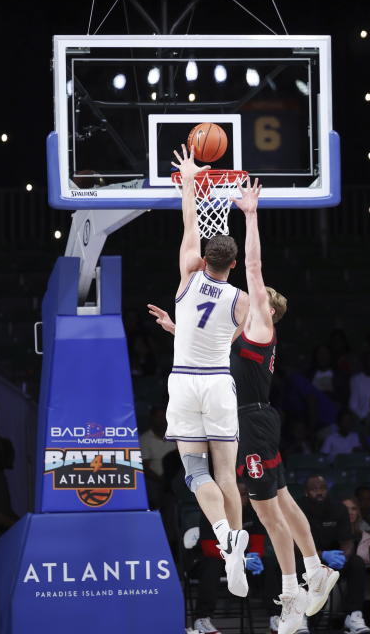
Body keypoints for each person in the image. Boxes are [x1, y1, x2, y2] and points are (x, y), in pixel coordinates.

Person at [149, 177, 339, 634]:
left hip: (250, 418)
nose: (260, 296)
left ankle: (300, 585)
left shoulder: (258, 322)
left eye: (264, 300)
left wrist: (248, 213)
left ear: (267, 311)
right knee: (276, 504)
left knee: (269, 509)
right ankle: (304, 579)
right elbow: (215, 339)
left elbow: (251, 269)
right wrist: (179, 331)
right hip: (234, 407)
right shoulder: (239, 322)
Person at [150, 144, 250, 598]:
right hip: (217, 382)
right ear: (232, 263)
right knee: (228, 476)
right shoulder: (243, 299)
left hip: (184, 380)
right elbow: (228, 339)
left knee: (195, 472)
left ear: (205, 257)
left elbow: (190, 222)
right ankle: (236, 557)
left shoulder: (187, 277)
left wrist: (191, 177)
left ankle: (225, 536)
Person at [297, 476, 370, 634]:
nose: (319, 493)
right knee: (294, 563)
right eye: (314, 489)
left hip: (334, 560)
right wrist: (322, 555)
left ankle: (354, 615)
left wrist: (344, 556)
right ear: (306, 492)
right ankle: (299, 616)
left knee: (357, 562)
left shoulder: (338, 508)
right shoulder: (298, 508)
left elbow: (347, 541)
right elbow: (294, 544)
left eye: (322, 488)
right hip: (307, 559)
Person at [193, 481, 265, 634]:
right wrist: (238, 559)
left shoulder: (252, 512)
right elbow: (208, 547)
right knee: (211, 565)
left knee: (270, 563)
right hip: (216, 558)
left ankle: (277, 616)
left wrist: (255, 555)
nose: (238, 498)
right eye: (234, 495)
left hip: (241, 560)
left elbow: (258, 538)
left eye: (242, 495)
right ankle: (202, 619)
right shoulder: (211, 512)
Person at [139, 405, 177, 509]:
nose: (162, 420)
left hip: (178, 480)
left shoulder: (176, 435)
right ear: (152, 419)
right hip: (157, 481)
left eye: (164, 417)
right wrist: (162, 480)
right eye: (159, 417)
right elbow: (144, 467)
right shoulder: (145, 439)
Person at [341, 497, 370, 563]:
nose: (350, 512)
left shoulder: (368, 539)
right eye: (345, 509)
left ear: (358, 512)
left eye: (353, 509)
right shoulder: (332, 536)